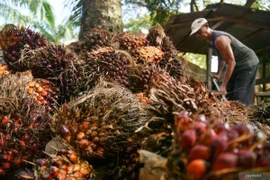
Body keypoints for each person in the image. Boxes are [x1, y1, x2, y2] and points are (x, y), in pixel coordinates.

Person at [190, 18, 259, 106]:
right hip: (237, 65)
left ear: (207, 26)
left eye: (200, 31)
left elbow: (231, 62)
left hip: (247, 62)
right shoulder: (211, 42)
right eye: (196, 34)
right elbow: (221, 58)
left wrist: (223, 85)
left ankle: (245, 116)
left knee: (240, 95)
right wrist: (218, 74)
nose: (199, 35)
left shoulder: (220, 39)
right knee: (230, 92)